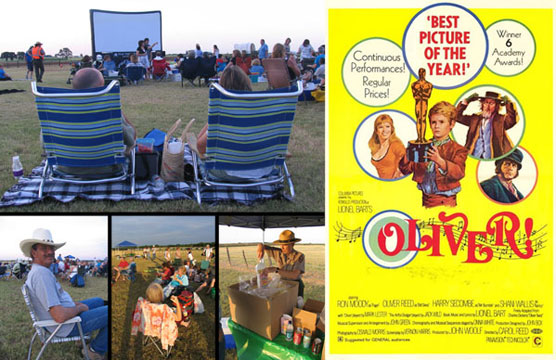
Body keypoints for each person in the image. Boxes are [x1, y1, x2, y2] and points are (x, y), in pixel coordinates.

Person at [20, 228, 107, 359]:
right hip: (65, 325)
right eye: (44, 248)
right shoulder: (41, 275)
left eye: (52, 248)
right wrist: (79, 308)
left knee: (98, 301)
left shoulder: (39, 271)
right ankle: (94, 350)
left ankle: (82, 339)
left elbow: (56, 303)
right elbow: (59, 316)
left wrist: (74, 305)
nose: (50, 252)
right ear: (34, 252)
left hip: (66, 319)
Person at [46, 68, 136, 176]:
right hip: (108, 169)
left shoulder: (57, 111)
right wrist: (118, 111)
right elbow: (131, 139)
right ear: (99, 87)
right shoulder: (109, 110)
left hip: (66, 169)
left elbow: (44, 143)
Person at [399, 101, 468, 208]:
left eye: (441, 122)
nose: (436, 126)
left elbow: (459, 173)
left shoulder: (458, 149)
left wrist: (440, 161)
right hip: (426, 199)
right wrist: (408, 154)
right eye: (433, 122)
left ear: (452, 124)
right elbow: (406, 169)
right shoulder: (422, 145)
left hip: (446, 201)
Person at [196, 65, 253, 155]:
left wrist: (215, 115)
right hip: (266, 167)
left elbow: (200, 147)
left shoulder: (224, 116)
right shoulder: (265, 112)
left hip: (229, 168)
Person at [456, 91, 518, 159]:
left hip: (493, 156)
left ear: (496, 106)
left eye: (491, 103)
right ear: (482, 104)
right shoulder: (475, 119)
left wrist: (508, 103)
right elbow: (457, 117)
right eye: (486, 102)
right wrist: (466, 102)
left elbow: (513, 120)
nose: (487, 106)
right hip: (474, 155)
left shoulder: (500, 120)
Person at [257, 230, 306, 297]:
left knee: (296, 305)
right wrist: (260, 247)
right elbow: (262, 245)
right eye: (280, 244)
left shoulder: (299, 256)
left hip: (295, 285)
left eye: (285, 245)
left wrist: (276, 270)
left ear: (292, 244)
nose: (282, 247)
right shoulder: (278, 252)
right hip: (283, 284)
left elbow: (294, 275)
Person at [369, 114, 406, 179]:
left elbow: (407, 164)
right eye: (380, 127)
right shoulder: (375, 147)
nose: (384, 130)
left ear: (392, 129)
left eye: (387, 126)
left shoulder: (396, 145)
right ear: (376, 130)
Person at [412, 68, 434, 143]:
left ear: (425, 73)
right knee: (419, 119)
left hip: (424, 102)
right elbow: (415, 96)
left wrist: (420, 93)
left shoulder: (429, 85)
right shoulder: (414, 84)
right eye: (420, 72)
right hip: (418, 103)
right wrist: (421, 93)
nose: (421, 74)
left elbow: (428, 95)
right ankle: (419, 137)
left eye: (423, 72)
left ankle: (423, 137)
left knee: (423, 119)